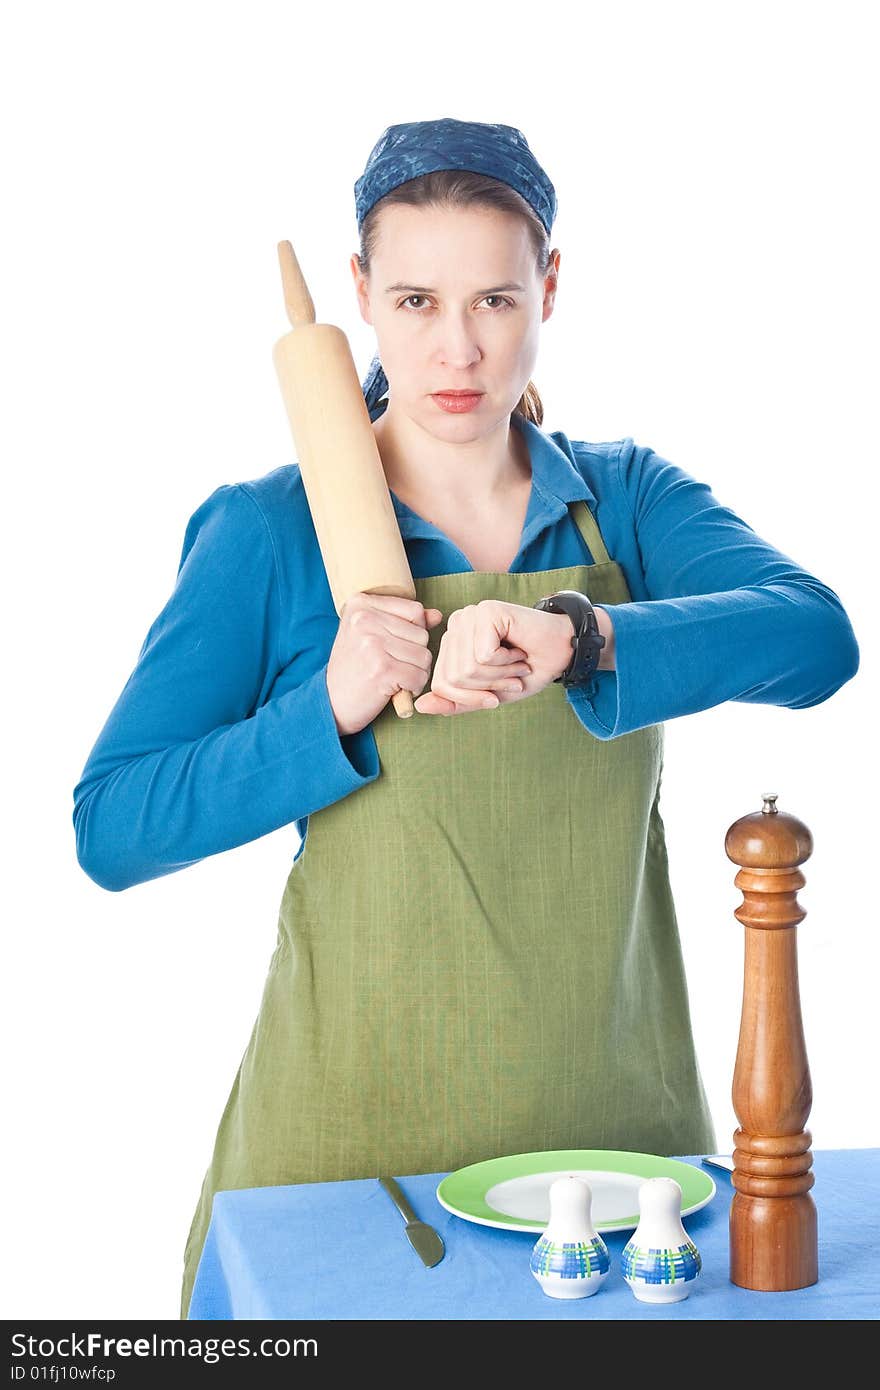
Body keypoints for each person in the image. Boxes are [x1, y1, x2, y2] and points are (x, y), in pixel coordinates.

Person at [72, 117, 860, 1321]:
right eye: (417, 299)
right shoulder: (272, 532)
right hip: (348, 1172)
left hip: (621, 1160)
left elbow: (815, 638)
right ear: (359, 300)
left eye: (495, 298)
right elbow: (112, 826)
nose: (457, 348)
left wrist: (587, 636)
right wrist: (326, 706)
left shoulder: (622, 504)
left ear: (549, 286)